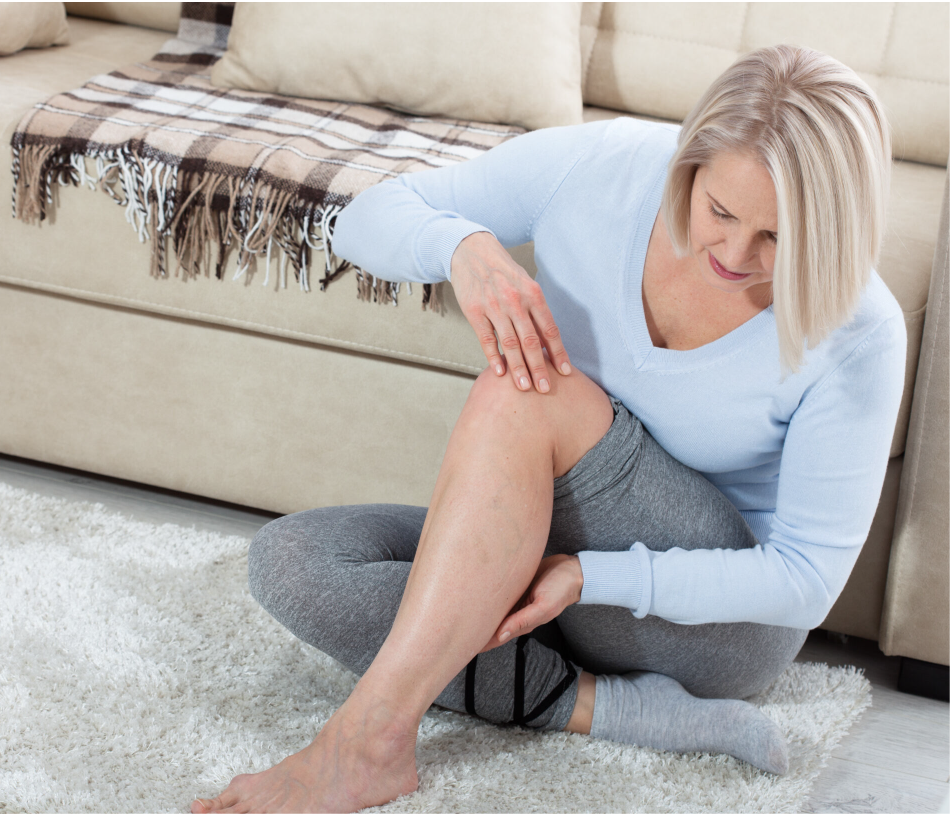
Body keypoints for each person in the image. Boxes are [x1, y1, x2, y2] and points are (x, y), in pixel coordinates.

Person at [191, 44, 905, 814]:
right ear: (689, 166)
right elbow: (364, 217)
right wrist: (462, 250)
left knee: (525, 387)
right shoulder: (603, 169)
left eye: (777, 238)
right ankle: (607, 706)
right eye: (720, 212)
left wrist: (592, 577)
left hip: (712, 627)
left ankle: (365, 745)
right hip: (560, 571)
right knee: (296, 561)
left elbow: (802, 582)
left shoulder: (860, 332)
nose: (734, 254)